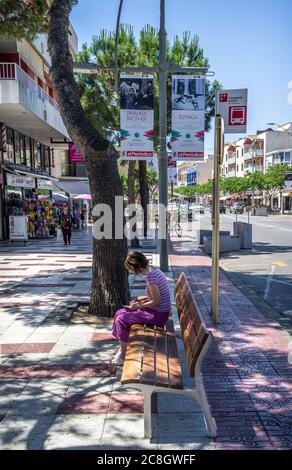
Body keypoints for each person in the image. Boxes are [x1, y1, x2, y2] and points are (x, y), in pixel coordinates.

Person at [111, 252, 171, 365]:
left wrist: (139, 305)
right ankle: (123, 345)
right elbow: (155, 298)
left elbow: (157, 301)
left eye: (133, 270)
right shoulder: (154, 270)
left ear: (137, 267)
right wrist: (141, 302)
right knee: (120, 312)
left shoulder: (151, 276)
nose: (134, 273)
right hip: (158, 312)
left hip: (158, 315)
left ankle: (123, 356)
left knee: (121, 319)